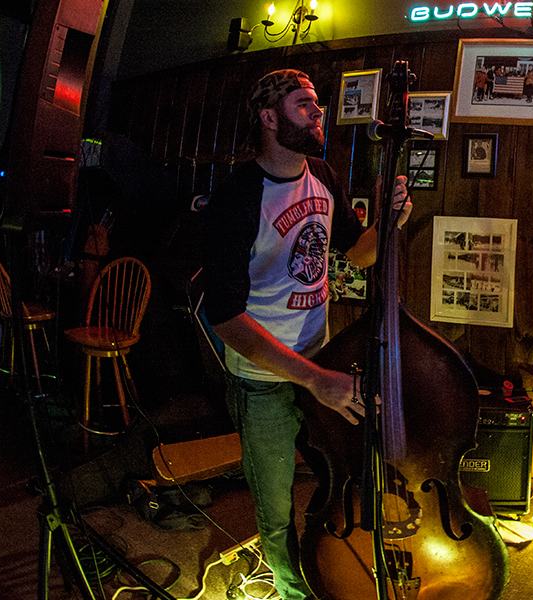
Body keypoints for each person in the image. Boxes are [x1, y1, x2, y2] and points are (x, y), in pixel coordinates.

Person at [201, 69, 411, 600]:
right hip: (262, 378)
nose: (319, 113)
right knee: (274, 508)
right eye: (304, 104)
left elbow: (353, 256)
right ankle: (294, 593)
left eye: (317, 104)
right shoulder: (236, 197)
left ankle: (337, 564)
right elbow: (224, 318)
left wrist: (388, 224)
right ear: (270, 118)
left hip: (320, 360)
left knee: (341, 476)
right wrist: (316, 380)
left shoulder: (321, 173)